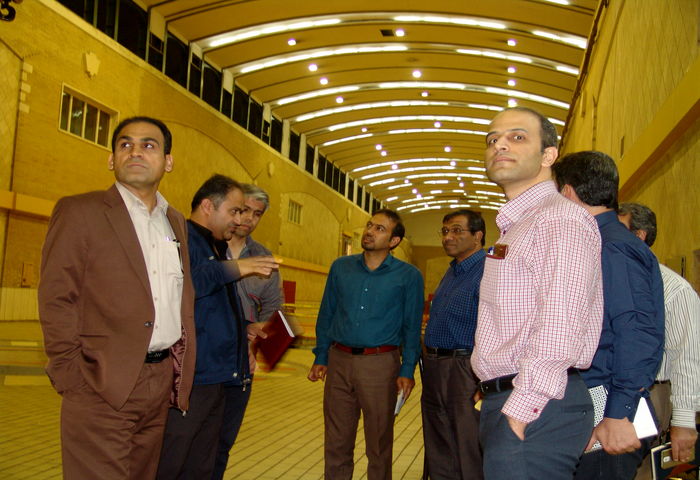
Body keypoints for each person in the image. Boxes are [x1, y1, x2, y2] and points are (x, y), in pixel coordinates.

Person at [38, 116, 196, 480]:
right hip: (101, 380)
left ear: (168, 161)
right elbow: (56, 297)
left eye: (148, 145)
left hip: (159, 380)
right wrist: (72, 377)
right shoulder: (81, 211)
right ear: (112, 159)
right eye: (125, 144)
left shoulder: (174, 222)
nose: (135, 151)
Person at [471, 107, 604, 480]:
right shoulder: (519, 225)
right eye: (492, 140)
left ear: (549, 155)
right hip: (515, 399)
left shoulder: (558, 219)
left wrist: (518, 413)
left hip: (536, 405)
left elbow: (561, 326)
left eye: (517, 137)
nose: (499, 145)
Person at [552, 151, 665, 480]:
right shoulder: (598, 241)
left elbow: (637, 332)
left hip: (607, 411)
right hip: (597, 402)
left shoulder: (611, 245)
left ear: (568, 192)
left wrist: (618, 413)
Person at [157, 175, 278, 479]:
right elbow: (185, 285)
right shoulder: (181, 239)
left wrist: (245, 329)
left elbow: (214, 310)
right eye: (235, 211)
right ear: (208, 206)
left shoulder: (216, 246)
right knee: (173, 459)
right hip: (194, 376)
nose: (240, 220)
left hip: (221, 374)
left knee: (204, 460)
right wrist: (237, 267)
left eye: (249, 213)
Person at [307, 208, 424, 480]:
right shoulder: (341, 267)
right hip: (339, 361)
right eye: (370, 225)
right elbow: (327, 313)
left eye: (380, 229)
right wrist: (321, 356)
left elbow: (411, 327)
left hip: (380, 365)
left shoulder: (408, 276)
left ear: (394, 241)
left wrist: (407, 370)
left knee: (378, 443)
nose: (370, 231)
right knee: (336, 441)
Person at [617, 202, 700, 473]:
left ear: (639, 236)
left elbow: (687, 357)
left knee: (640, 470)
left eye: (617, 229)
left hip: (652, 395)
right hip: (611, 392)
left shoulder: (675, 289)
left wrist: (683, 422)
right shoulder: (611, 279)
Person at [211, 183, 283, 480]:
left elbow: (273, 307)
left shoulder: (264, 256)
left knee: (224, 440)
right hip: (204, 354)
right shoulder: (209, 246)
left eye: (257, 214)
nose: (248, 218)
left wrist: (255, 342)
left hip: (242, 360)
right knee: (193, 436)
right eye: (243, 210)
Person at [421, 209, 486, 480]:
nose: (448, 237)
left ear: (477, 236)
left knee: (466, 443)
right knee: (438, 442)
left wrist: (482, 379)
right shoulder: (452, 271)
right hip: (435, 367)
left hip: (465, 369)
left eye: (457, 231)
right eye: (445, 231)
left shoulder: (488, 269)